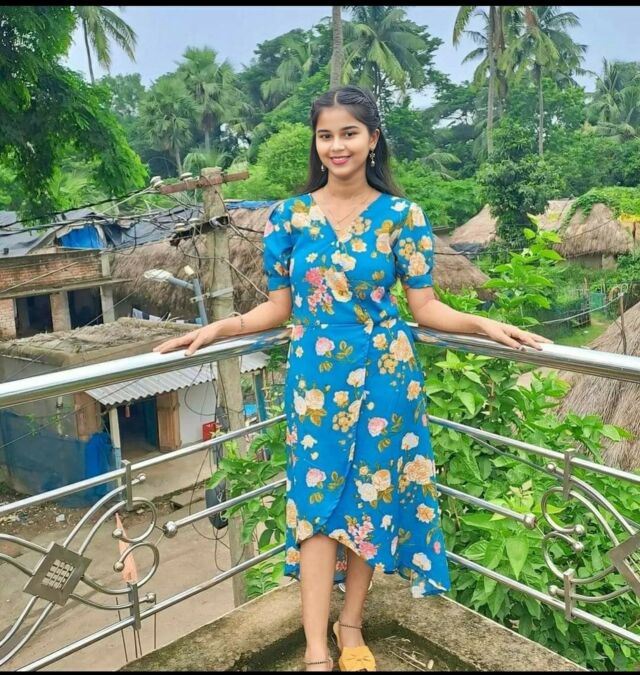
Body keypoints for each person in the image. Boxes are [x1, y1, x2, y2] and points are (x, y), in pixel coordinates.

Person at [153, 85, 551, 672]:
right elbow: (277, 309)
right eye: (326, 135)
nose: (336, 145)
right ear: (316, 143)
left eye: (349, 133)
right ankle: (316, 644)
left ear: (372, 139)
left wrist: (483, 324)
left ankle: (351, 624)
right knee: (316, 507)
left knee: (370, 498)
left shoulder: (402, 216)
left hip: (386, 377)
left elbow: (425, 308)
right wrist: (219, 329)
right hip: (315, 381)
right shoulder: (289, 216)